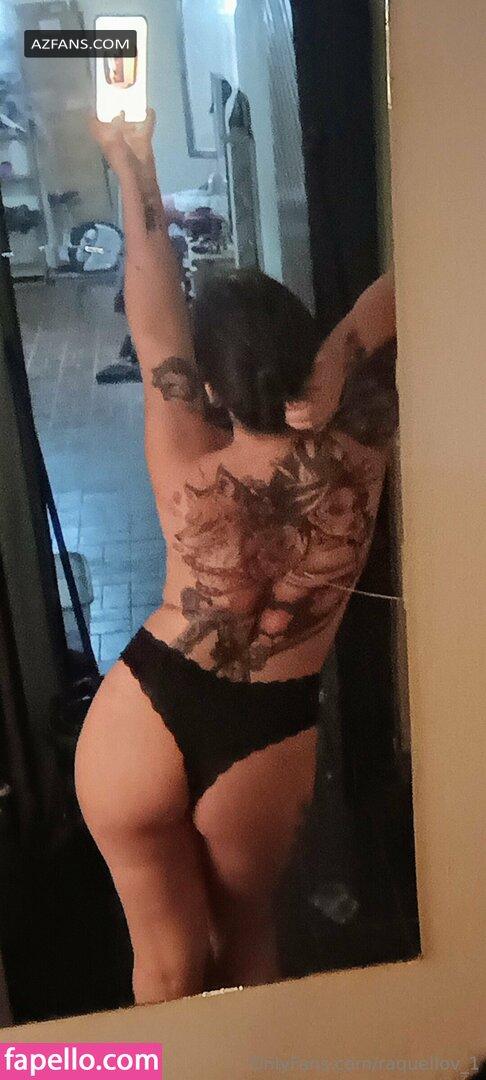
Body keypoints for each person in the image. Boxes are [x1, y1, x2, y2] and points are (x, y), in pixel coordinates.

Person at [75, 110, 397, 1005]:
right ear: (304, 350)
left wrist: (133, 164)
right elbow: (411, 283)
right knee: (247, 946)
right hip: (268, 731)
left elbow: (155, 318)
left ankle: (147, 1068)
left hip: (143, 713)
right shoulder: (364, 443)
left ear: (212, 386)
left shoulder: (185, 448)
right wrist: (339, 358)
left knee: (164, 969)